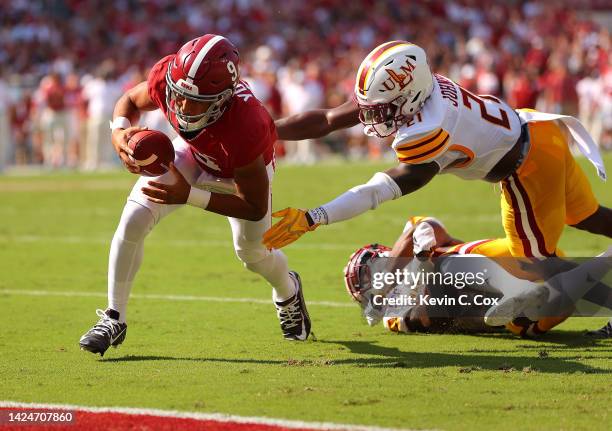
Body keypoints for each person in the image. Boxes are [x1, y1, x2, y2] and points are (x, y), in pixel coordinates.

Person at [79, 34, 311, 356]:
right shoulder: (168, 76)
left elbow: (254, 206)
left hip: (236, 175)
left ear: (223, 98)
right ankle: (113, 317)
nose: (183, 106)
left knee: (252, 255)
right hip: (192, 153)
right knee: (134, 217)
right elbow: (131, 101)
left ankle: (288, 290)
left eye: (197, 100)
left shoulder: (247, 123)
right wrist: (119, 132)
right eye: (179, 95)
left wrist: (189, 195)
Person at [344, 216, 612, 338]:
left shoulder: (408, 251)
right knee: (548, 308)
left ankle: (514, 289)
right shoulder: (389, 314)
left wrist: (423, 252)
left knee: (445, 262)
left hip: (499, 264)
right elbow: (426, 318)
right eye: (367, 279)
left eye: (373, 268)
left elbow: (424, 227)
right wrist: (422, 272)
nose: (375, 276)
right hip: (508, 313)